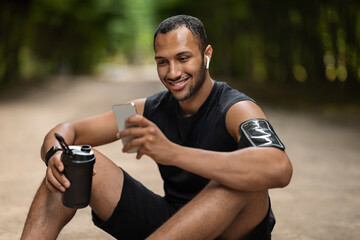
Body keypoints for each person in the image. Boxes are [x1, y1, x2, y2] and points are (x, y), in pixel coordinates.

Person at [21, 15, 292, 240]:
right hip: (170, 224)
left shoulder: (236, 109)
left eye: (183, 58)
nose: (172, 73)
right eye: (163, 62)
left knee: (242, 181)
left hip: (229, 232)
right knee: (71, 161)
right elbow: (69, 129)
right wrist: (54, 154)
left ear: (206, 54)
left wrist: (172, 152)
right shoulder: (149, 110)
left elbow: (279, 168)